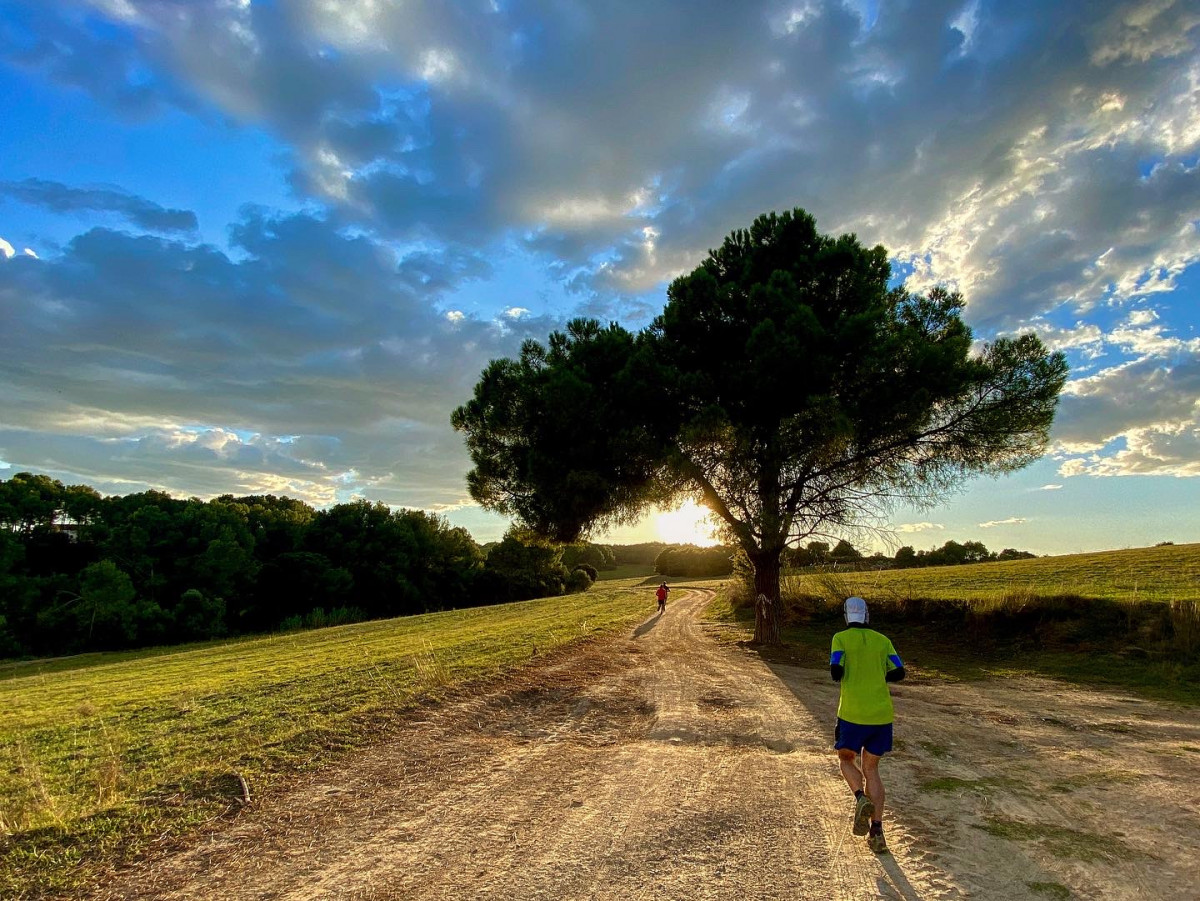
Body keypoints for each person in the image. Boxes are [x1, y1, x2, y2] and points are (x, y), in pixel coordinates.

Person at [830, 595, 905, 854]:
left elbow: (835, 670)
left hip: (852, 714)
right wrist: (876, 673)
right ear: (867, 616)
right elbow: (899, 672)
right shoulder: (883, 641)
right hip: (881, 716)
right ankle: (877, 832)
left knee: (845, 759)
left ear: (846, 617)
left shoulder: (840, 638)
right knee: (872, 769)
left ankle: (860, 798)